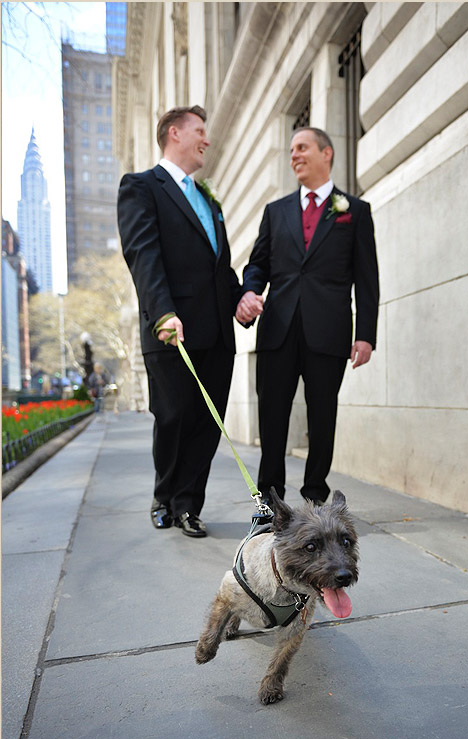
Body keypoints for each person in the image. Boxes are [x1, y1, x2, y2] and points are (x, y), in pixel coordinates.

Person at [117, 105, 246, 537]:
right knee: (172, 417)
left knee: (207, 423)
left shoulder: (210, 200)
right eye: (200, 131)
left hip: (216, 333)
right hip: (171, 329)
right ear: (175, 133)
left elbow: (219, 267)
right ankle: (164, 494)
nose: (207, 140)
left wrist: (240, 298)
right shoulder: (140, 187)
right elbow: (143, 254)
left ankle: (189, 504)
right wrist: (163, 313)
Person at [236, 126, 380, 506]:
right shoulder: (275, 211)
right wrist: (250, 291)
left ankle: (315, 496)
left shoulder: (356, 212)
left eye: (302, 148)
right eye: (291, 150)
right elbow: (258, 264)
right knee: (272, 417)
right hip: (278, 330)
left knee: (322, 418)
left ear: (326, 153)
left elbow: (367, 279)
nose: (294, 155)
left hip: (328, 332)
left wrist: (365, 334)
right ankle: (269, 500)